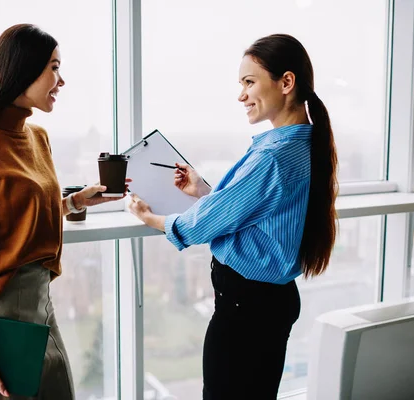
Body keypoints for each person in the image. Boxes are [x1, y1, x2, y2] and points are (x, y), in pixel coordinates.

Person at [128, 33, 338, 399]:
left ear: (286, 83)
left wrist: (149, 217)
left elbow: (197, 226)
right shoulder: (303, 144)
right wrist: (204, 192)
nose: (241, 95)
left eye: (249, 82)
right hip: (271, 303)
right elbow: (259, 212)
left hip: (245, 311)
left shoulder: (273, 156)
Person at [0, 24, 128, 399]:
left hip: (42, 305)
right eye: (54, 67)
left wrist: (74, 202)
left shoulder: (37, 138)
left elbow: (18, 218)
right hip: (1, 313)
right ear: (22, 70)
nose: (61, 80)